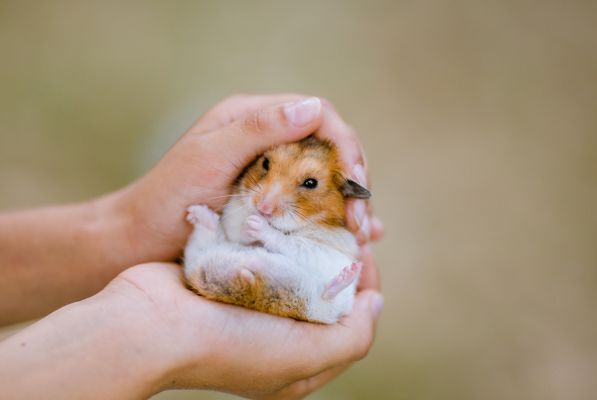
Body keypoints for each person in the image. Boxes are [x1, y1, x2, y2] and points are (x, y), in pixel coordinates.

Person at [0, 94, 384, 399]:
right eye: (266, 167)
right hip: (237, 264)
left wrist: (128, 230)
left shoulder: (329, 228)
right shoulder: (243, 201)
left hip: (300, 281)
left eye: (309, 184)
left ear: (346, 192)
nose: (266, 201)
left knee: (319, 283)